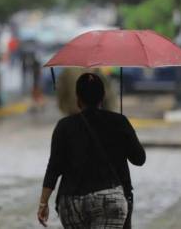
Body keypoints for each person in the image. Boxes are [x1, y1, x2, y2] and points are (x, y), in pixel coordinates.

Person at [37, 73, 146, 228]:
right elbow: (139, 159)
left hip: (71, 203)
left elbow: (54, 168)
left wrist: (43, 203)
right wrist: (126, 133)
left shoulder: (64, 126)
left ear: (78, 98)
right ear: (103, 96)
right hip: (109, 201)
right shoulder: (119, 122)